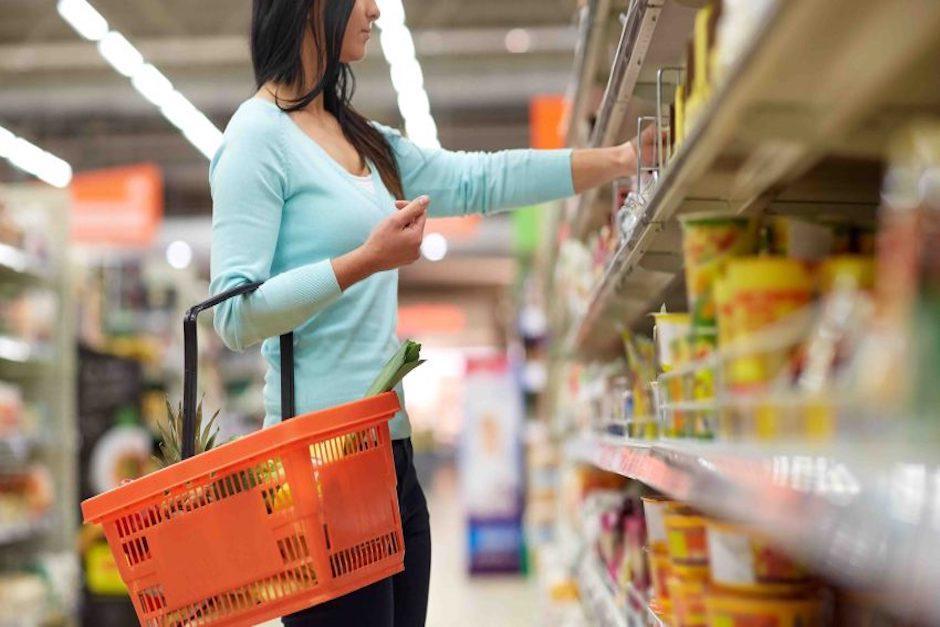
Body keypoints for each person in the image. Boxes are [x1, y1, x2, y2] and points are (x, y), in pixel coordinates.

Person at [209, 1, 658, 625]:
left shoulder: (358, 137)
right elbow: (232, 318)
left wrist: (617, 160)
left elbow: (480, 181)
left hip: (390, 456)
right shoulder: (257, 137)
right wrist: (365, 260)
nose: (373, 9)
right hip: (317, 472)